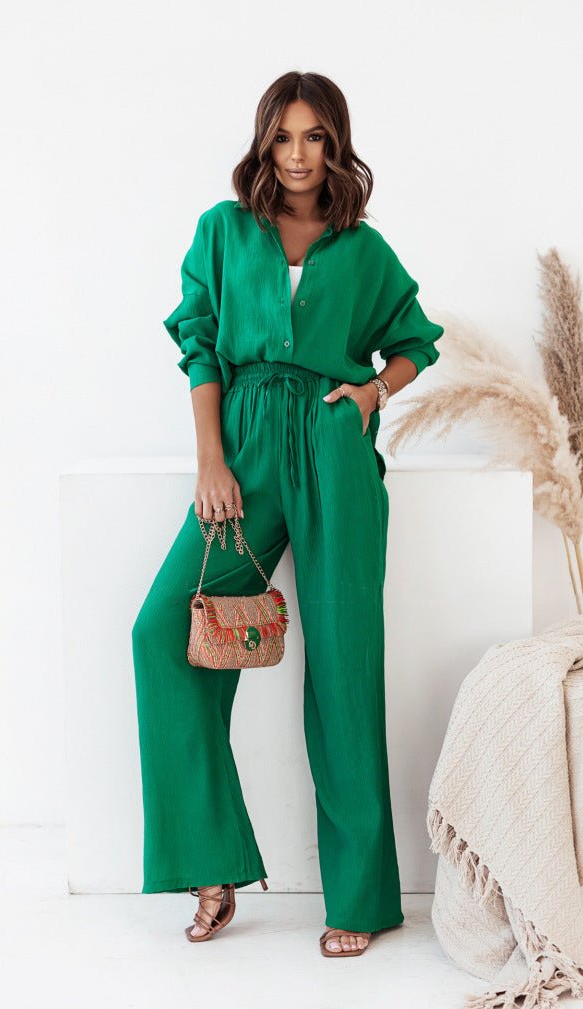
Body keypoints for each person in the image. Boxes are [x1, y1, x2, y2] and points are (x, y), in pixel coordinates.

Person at [131, 70, 444, 958]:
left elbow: (416, 341)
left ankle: (360, 898)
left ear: (336, 145)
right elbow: (200, 344)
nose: (299, 155)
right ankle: (212, 863)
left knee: (345, 667)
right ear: (262, 142)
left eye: (315, 137)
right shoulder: (224, 229)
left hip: (334, 449)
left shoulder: (362, 248)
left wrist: (373, 394)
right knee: (163, 632)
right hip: (244, 447)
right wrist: (212, 460)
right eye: (283, 136)